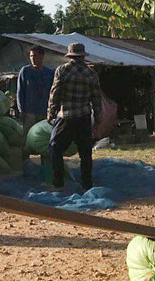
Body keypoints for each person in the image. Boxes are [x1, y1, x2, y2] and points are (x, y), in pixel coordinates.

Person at [46, 42, 104, 192]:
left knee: (55, 148)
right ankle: (86, 185)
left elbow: (55, 94)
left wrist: (50, 112)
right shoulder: (91, 73)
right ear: (83, 56)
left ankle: (57, 184)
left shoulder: (62, 70)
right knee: (85, 153)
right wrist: (98, 120)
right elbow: (96, 98)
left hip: (66, 116)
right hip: (84, 117)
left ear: (70, 56)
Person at [17, 45, 54, 136]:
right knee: (28, 135)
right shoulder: (25, 71)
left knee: (44, 136)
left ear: (42, 57)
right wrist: (21, 110)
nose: (33, 59)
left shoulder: (49, 73)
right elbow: (20, 92)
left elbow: (53, 92)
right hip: (29, 112)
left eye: (35, 56)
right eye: (31, 56)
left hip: (44, 112)